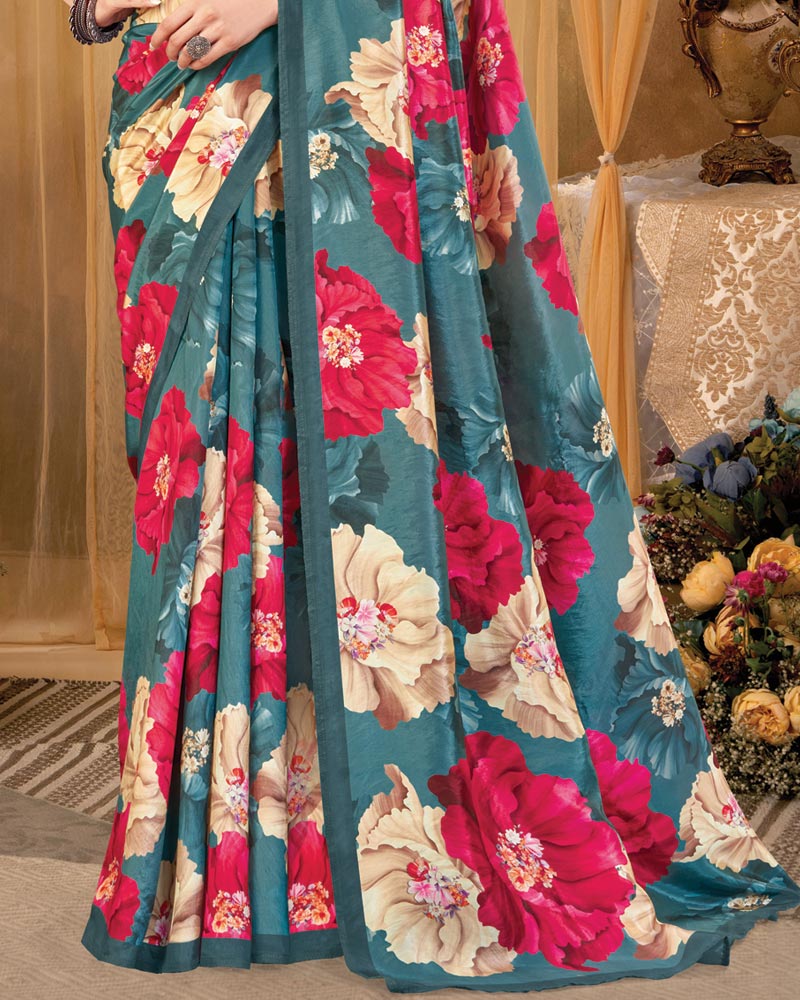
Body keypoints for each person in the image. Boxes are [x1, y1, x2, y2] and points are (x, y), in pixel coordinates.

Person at [71, 0, 799, 989]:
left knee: (317, 463)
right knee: (209, 468)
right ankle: (239, 862)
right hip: (183, 116)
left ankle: (327, 858)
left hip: (319, 93)